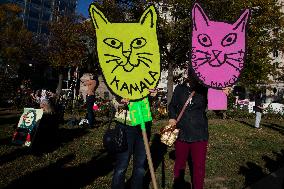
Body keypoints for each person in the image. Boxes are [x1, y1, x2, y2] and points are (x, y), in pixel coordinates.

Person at [111, 89, 157, 189]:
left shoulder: (146, 80)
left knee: (140, 165)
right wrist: (121, 102)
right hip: (125, 126)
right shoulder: (123, 81)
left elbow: (148, 103)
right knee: (122, 165)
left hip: (143, 125)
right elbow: (115, 102)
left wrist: (152, 95)